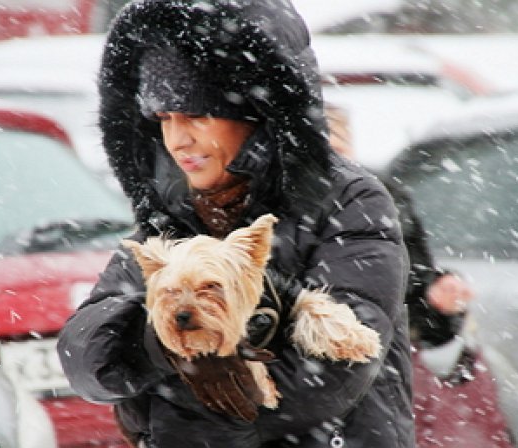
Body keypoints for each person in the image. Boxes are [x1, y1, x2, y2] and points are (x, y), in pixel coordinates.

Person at [56, 1, 415, 447]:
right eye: (163, 119)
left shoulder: (346, 201)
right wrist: (158, 340)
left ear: (258, 112)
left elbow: (336, 369)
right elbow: (84, 361)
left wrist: (166, 395)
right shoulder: (169, 215)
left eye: (197, 115)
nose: (177, 139)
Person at [325, 104, 512, 447]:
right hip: (303, 392)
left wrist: (438, 300)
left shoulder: (385, 200)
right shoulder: (265, 206)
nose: (333, 159)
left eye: (339, 144)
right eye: (320, 144)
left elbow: (421, 303)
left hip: (377, 388)